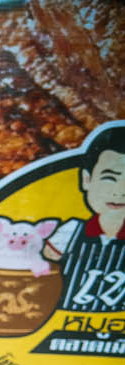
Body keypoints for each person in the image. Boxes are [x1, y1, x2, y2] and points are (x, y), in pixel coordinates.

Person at [44, 122, 125, 312]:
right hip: (60, 321)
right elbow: (42, 269)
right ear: (87, 180)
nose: (119, 192)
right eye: (109, 178)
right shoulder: (70, 231)